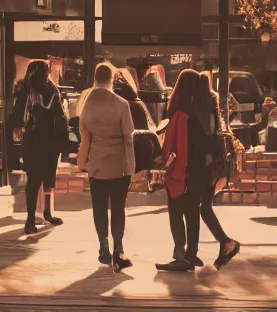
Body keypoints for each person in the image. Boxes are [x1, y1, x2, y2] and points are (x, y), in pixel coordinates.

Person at [156, 70, 239, 272]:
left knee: (176, 210)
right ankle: (191, 253)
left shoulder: (182, 114)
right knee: (195, 210)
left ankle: (181, 254)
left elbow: (177, 146)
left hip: (185, 170)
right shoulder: (205, 110)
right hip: (205, 171)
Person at [77, 62, 136, 272]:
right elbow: (128, 137)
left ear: (95, 78)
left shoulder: (86, 105)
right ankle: (118, 249)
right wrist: (131, 166)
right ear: (112, 79)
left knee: (99, 206)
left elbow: (85, 137)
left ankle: (103, 245)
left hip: (96, 165)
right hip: (118, 163)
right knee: (118, 208)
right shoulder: (122, 104)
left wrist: (83, 162)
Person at [9, 60, 69, 235]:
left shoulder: (30, 89)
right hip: (45, 140)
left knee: (40, 179)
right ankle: (37, 216)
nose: (44, 75)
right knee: (40, 179)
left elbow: (17, 114)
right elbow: (60, 116)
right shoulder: (47, 89)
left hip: (39, 140)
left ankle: (39, 216)